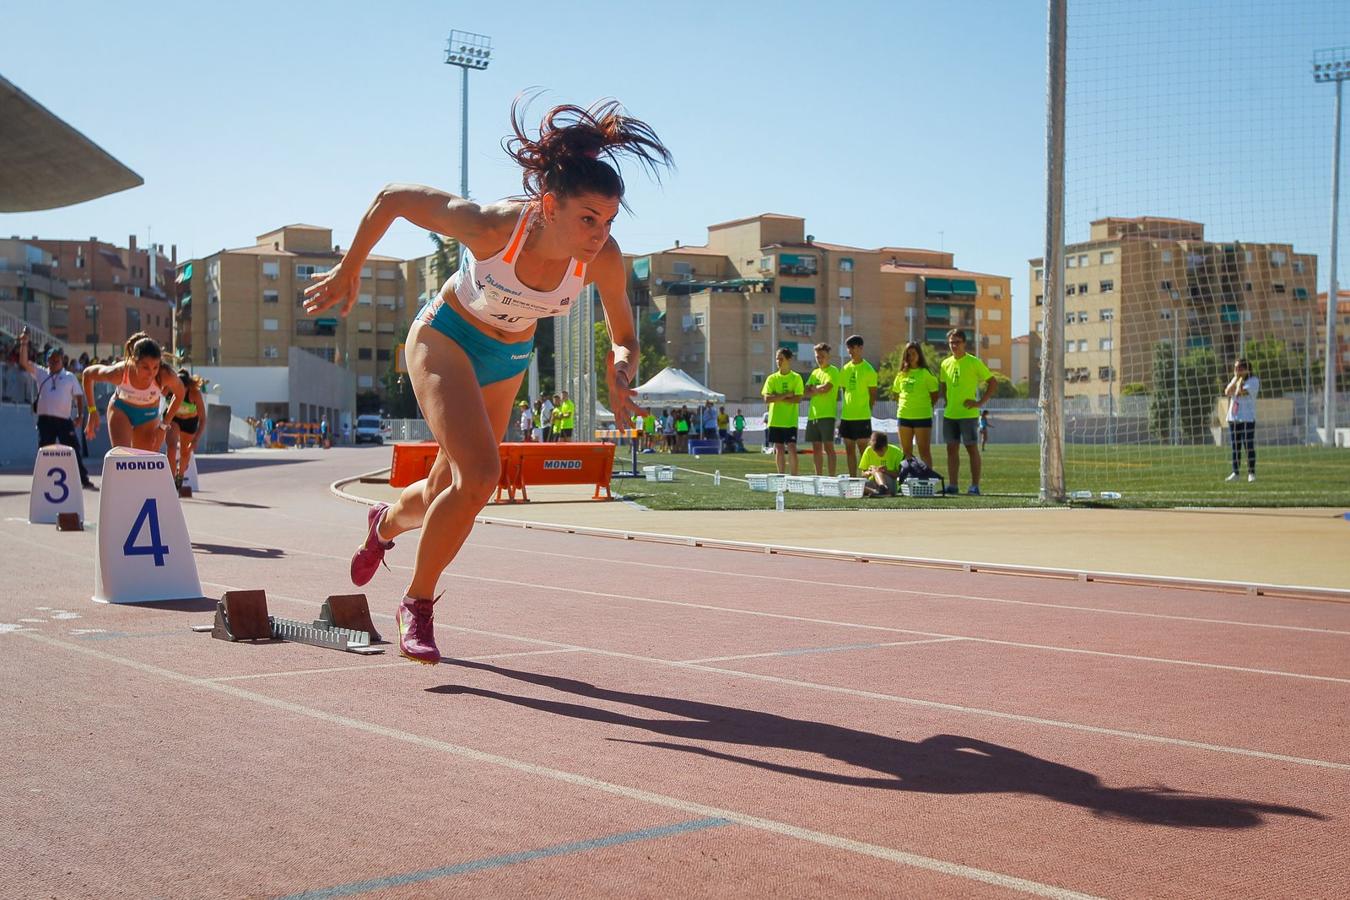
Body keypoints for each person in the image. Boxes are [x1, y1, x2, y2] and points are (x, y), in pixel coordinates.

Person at [302, 97, 668, 665]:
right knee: (482, 477)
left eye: (609, 222)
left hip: (508, 360)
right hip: (446, 338)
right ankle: (417, 605)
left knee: (443, 491)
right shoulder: (495, 227)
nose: (599, 235)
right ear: (549, 204)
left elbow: (624, 332)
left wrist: (621, 365)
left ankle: (383, 524)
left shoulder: (604, 259)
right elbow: (392, 198)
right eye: (588, 219)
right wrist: (350, 269)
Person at [80, 332, 185, 453]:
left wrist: (163, 426)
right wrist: (92, 410)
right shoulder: (119, 372)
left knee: (143, 462)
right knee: (123, 458)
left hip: (148, 415)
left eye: (155, 367)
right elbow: (87, 374)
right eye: (145, 367)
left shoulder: (165, 375)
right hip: (121, 410)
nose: (151, 373)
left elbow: (180, 393)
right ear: (134, 362)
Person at [17, 329, 95, 490]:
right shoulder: (41, 373)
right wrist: (24, 343)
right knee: (44, 451)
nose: (54, 363)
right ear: (47, 361)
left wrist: (80, 415)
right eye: (51, 361)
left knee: (73, 449)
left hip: (63, 420)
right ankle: (42, 482)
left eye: (57, 361)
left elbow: (79, 396)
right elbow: (24, 362)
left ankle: (83, 478)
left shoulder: (69, 377)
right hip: (45, 420)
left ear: (62, 361)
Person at [938, 328, 996, 495]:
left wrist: (979, 403)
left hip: (968, 415)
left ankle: (974, 486)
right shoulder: (945, 363)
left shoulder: (973, 362)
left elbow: (992, 382)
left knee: (972, 449)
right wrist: (947, 400)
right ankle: (953, 485)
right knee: (951, 449)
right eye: (951, 342)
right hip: (950, 415)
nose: (954, 345)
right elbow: (943, 384)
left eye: (957, 342)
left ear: (964, 343)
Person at [890, 341, 939, 469]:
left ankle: (927, 480)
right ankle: (908, 479)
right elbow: (896, 394)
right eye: (908, 354)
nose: (910, 356)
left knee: (924, 451)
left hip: (922, 416)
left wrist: (923, 406)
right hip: (904, 416)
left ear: (919, 355)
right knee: (906, 452)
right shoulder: (901, 374)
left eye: (913, 353)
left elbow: (934, 395)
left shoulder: (926, 373)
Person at [838, 334, 877, 477]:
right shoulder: (845, 369)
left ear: (861, 348)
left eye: (853, 348)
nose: (850, 351)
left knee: (864, 451)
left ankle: (868, 479)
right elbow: (844, 390)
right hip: (847, 416)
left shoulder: (869, 370)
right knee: (849, 449)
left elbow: (873, 394)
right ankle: (853, 479)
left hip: (862, 416)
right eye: (848, 348)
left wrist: (866, 409)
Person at [761, 346, 803, 475]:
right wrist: (785, 395)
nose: (778, 362)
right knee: (778, 448)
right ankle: (781, 476)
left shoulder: (796, 378)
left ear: (789, 359)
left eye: (781, 359)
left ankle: (794, 477)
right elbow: (767, 398)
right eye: (777, 359)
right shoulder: (772, 378)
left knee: (792, 447)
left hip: (790, 420)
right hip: (775, 420)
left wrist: (777, 397)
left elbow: (797, 398)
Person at [803, 342, 840, 476]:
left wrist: (815, 389)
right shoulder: (814, 373)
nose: (819, 359)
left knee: (829, 448)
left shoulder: (833, 371)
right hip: (813, 415)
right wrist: (816, 389)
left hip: (827, 415)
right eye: (817, 356)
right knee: (816, 448)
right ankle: (818, 476)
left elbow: (826, 388)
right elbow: (806, 391)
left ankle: (831, 477)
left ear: (828, 356)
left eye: (822, 356)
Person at [170, 369, 209, 491]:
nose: (180, 392)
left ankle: (180, 476)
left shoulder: (194, 394)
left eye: (183, 389)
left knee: (185, 452)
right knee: (171, 447)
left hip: (189, 422)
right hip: (174, 419)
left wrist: (196, 439)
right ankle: (170, 478)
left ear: (188, 387)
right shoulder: (169, 390)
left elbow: (203, 419)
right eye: (177, 388)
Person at [1224, 357, 1259, 483]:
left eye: (1238, 368)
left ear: (1246, 369)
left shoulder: (1254, 381)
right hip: (1234, 418)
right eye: (1235, 368)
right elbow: (1227, 392)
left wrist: (1238, 385)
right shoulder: (1235, 379)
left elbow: (1240, 392)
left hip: (1247, 418)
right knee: (1235, 447)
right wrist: (1235, 381)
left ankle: (1251, 473)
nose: (1236, 370)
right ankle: (1235, 473)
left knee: (1248, 446)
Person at [859, 431, 903, 497]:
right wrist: (869, 472)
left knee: (877, 471)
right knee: (855, 487)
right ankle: (877, 492)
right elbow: (863, 473)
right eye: (875, 451)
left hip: (890, 483)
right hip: (873, 482)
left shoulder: (896, 452)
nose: (878, 454)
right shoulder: (868, 450)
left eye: (880, 451)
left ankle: (883, 488)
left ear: (885, 446)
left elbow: (901, 475)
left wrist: (886, 471)